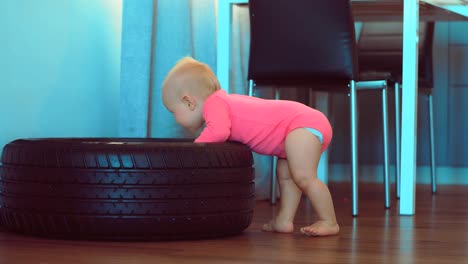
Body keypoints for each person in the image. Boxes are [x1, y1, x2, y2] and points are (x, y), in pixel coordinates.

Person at [161, 57, 339, 237]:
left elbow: (219, 132)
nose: (174, 118)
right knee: (286, 178)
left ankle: (329, 221)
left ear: (189, 102)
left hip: (303, 124)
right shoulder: (223, 102)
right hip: (297, 127)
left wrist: (194, 149)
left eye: (173, 111)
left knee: (304, 177)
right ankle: (284, 220)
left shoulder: (214, 105)